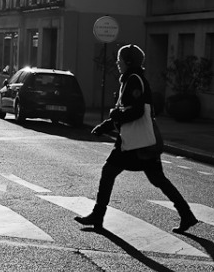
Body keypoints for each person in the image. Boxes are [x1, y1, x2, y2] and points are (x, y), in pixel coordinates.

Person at [75, 44, 198, 233]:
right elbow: (129, 110)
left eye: (120, 59)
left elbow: (136, 111)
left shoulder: (133, 80)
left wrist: (113, 118)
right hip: (140, 141)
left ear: (128, 62)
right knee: (158, 179)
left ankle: (98, 215)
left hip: (133, 142)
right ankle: (186, 215)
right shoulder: (131, 79)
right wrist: (106, 125)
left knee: (109, 172)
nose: (117, 63)